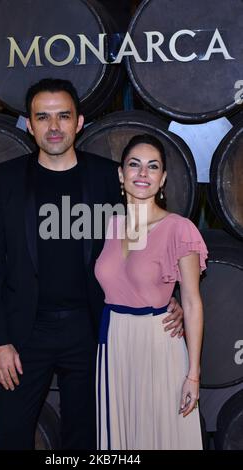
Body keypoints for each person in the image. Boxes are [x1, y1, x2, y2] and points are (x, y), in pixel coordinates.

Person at [0, 79, 184, 450]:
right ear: (29, 124)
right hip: (24, 333)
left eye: (63, 116)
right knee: (11, 437)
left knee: (87, 439)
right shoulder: (5, 179)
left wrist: (170, 296)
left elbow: (145, 242)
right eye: (43, 117)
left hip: (91, 330)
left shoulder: (107, 177)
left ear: (80, 122)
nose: (54, 127)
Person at [95, 134, 208, 450]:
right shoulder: (110, 225)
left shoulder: (179, 228)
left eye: (152, 167)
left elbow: (192, 301)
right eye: (134, 165)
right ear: (121, 174)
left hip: (159, 347)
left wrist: (193, 375)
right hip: (114, 345)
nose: (142, 174)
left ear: (163, 180)